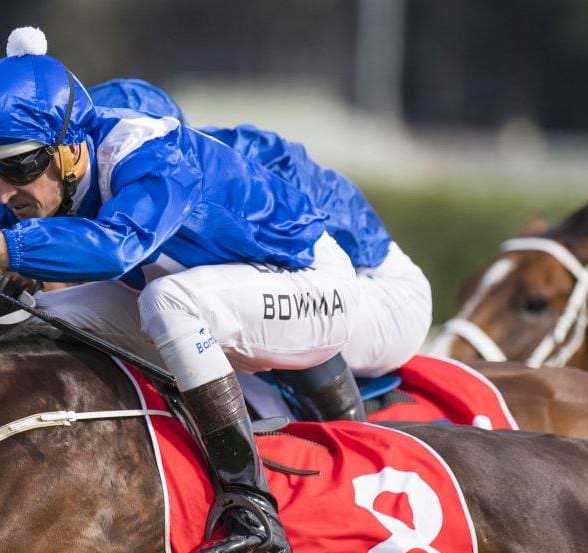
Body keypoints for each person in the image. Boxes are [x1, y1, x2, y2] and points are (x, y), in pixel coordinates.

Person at [0, 27, 420, 553]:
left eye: (18, 167)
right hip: (223, 300)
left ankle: (254, 509)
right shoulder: (35, 182)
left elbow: (114, 248)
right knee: (45, 316)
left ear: (71, 148)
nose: (4, 192)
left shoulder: (151, 153)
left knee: (167, 300)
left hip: (314, 286)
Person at [89, 78, 433, 405]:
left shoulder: (231, 165)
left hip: (383, 293)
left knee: (241, 310)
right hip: (335, 282)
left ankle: (346, 432)